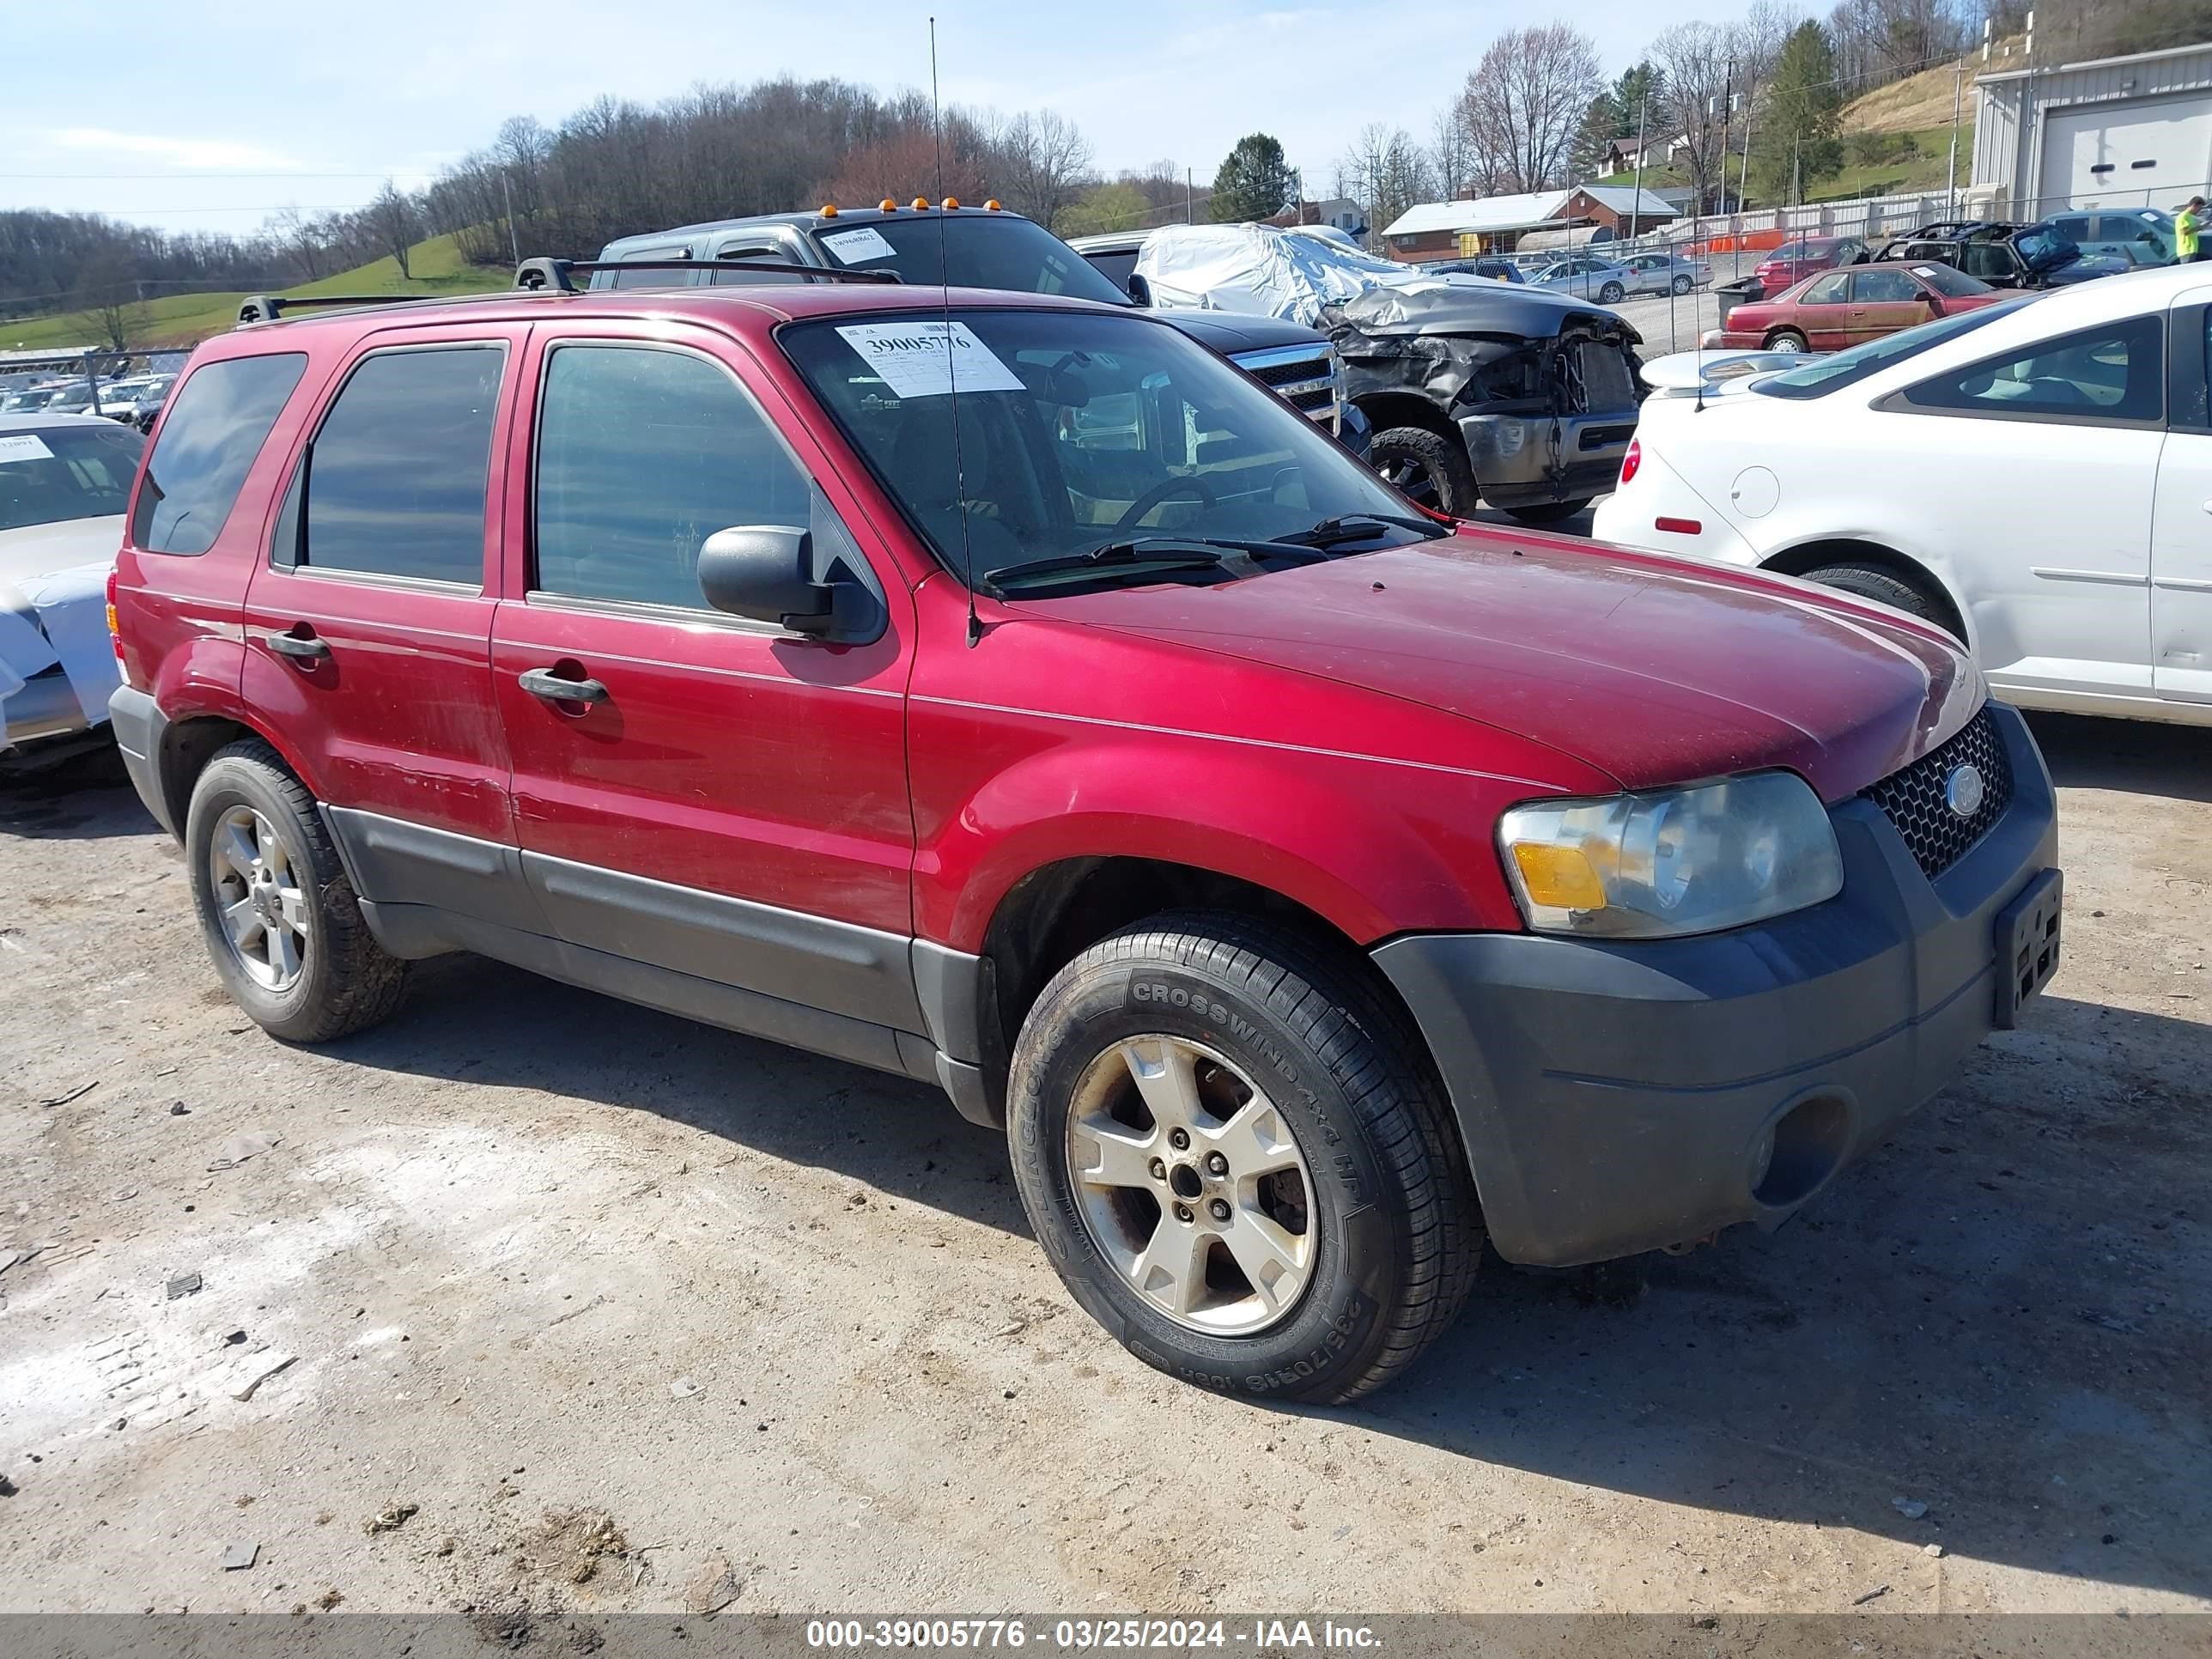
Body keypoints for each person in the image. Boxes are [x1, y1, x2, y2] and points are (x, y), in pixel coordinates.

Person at [2178, 197, 2206, 263]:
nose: (2200, 210)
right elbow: (2184, 231)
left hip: (2191, 249)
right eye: (2200, 208)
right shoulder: (2183, 216)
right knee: (2187, 271)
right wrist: (2199, 227)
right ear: (2194, 205)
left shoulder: (2189, 216)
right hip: (2186, 250)